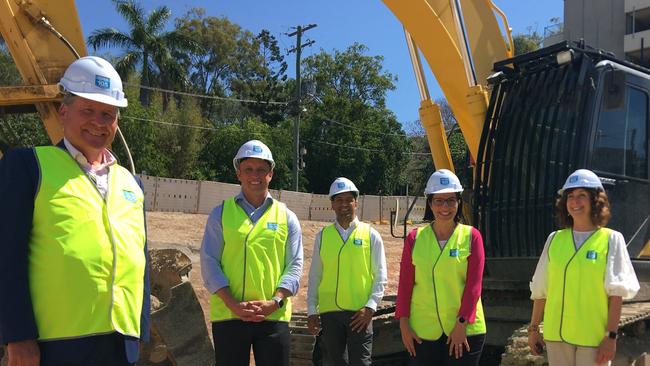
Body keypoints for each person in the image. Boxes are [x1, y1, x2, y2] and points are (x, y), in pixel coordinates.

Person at [0, 56, 150, 366]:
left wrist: (141, 332)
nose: (98, 122)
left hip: (122, 343)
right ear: (64, 112)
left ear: (117, 122)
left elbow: (140, 257)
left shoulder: (131, 182)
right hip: (55, 345)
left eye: (108, 114)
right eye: (88, 110)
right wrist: (16, 335)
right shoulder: (28, 165)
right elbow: (6, 254)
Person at [200, 139, 303, 366]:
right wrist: (232, 303)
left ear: (270, 174)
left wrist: (275, 301)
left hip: (273, 316)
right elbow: (209, 262)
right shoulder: (220, 214)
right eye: (248, 169)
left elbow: (294, 265)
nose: (254, 175)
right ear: (238, 173)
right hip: (229, 315)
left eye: (261, 170)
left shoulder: (287, 217)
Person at [528, 169, 640, 366]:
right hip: (556, 336)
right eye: (570, 196)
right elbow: (541, 289)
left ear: (595, 200)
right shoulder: (554, 240)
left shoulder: (611, 239)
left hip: (592, 339)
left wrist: (611, 337)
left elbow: (616, 295)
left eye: (582, 196)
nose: (575, 202)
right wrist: (534, 329)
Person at [395, 169, 486, 365]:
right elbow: (405, 285)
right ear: (430, 203)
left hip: (465, 330)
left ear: (458, 202)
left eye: (451, 200)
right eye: (439, 201)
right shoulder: (415, 239)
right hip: (423, 331)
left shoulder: (472, 237)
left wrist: (461, 324)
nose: (445, 207)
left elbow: (474, 287)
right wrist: (403, 325)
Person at [306, 177, 388, 366]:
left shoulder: (371, 235)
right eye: (339, 200)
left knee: (361, 362)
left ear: (356, 203)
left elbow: (381, 275)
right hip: (330, 314)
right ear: (332, 204)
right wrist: (312, 310)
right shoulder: (323, 237)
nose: (344, 204)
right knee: (334, 362)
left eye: (348, 200)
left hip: (359, 314)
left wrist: (370, 307)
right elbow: (315, 276)